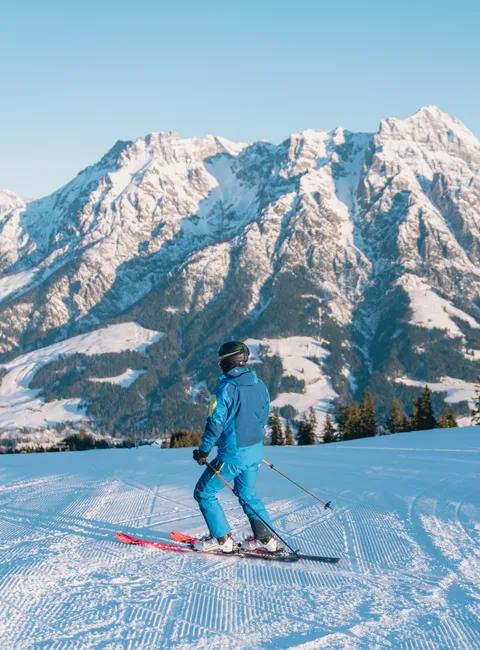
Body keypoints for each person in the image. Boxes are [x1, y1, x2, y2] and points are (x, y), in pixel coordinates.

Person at [192, 340, 278, 553]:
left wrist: (204, 451)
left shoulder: (224, 389)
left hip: (233, 454)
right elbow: (262, 417)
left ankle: (222, 540)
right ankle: (266, 539)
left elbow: (215, 423)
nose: (219, 364)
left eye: (220, 360)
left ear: (227, 361)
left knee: (203, 492)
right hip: (256, 451)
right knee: (247, 493)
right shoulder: (260, 385)